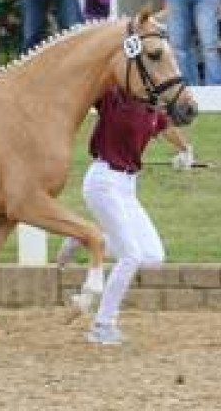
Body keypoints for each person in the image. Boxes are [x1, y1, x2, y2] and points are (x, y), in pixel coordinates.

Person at [56, 85, 194, 345]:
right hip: (103, 182)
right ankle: (103, 325)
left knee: (153, 256)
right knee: (131, 256)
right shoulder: (113, 95)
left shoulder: (153, 108)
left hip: (127, 188)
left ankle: (87, 239)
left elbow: (167, 130)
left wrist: (185, 151)